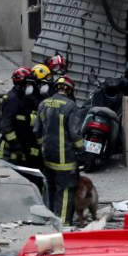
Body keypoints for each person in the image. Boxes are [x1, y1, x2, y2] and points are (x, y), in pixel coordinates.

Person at [34, 76, 84, 225]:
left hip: (48, 157)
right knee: (66, 191)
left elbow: (37, 130)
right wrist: (82, 151)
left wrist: (42, 148)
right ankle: (62, 225)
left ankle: (48, 220)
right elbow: (75, 134)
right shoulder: (70, 106)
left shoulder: (43, 103)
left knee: (50, 189)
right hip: (65, 159)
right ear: (69, 90)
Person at [0, 67, 40, 167]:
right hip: (9, 151)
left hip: (20, 148)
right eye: (29, 83)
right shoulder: (13, 100)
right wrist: (17, 146)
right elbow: (5, 126)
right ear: (23, 83)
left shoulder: (22, 98)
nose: (31, 86)